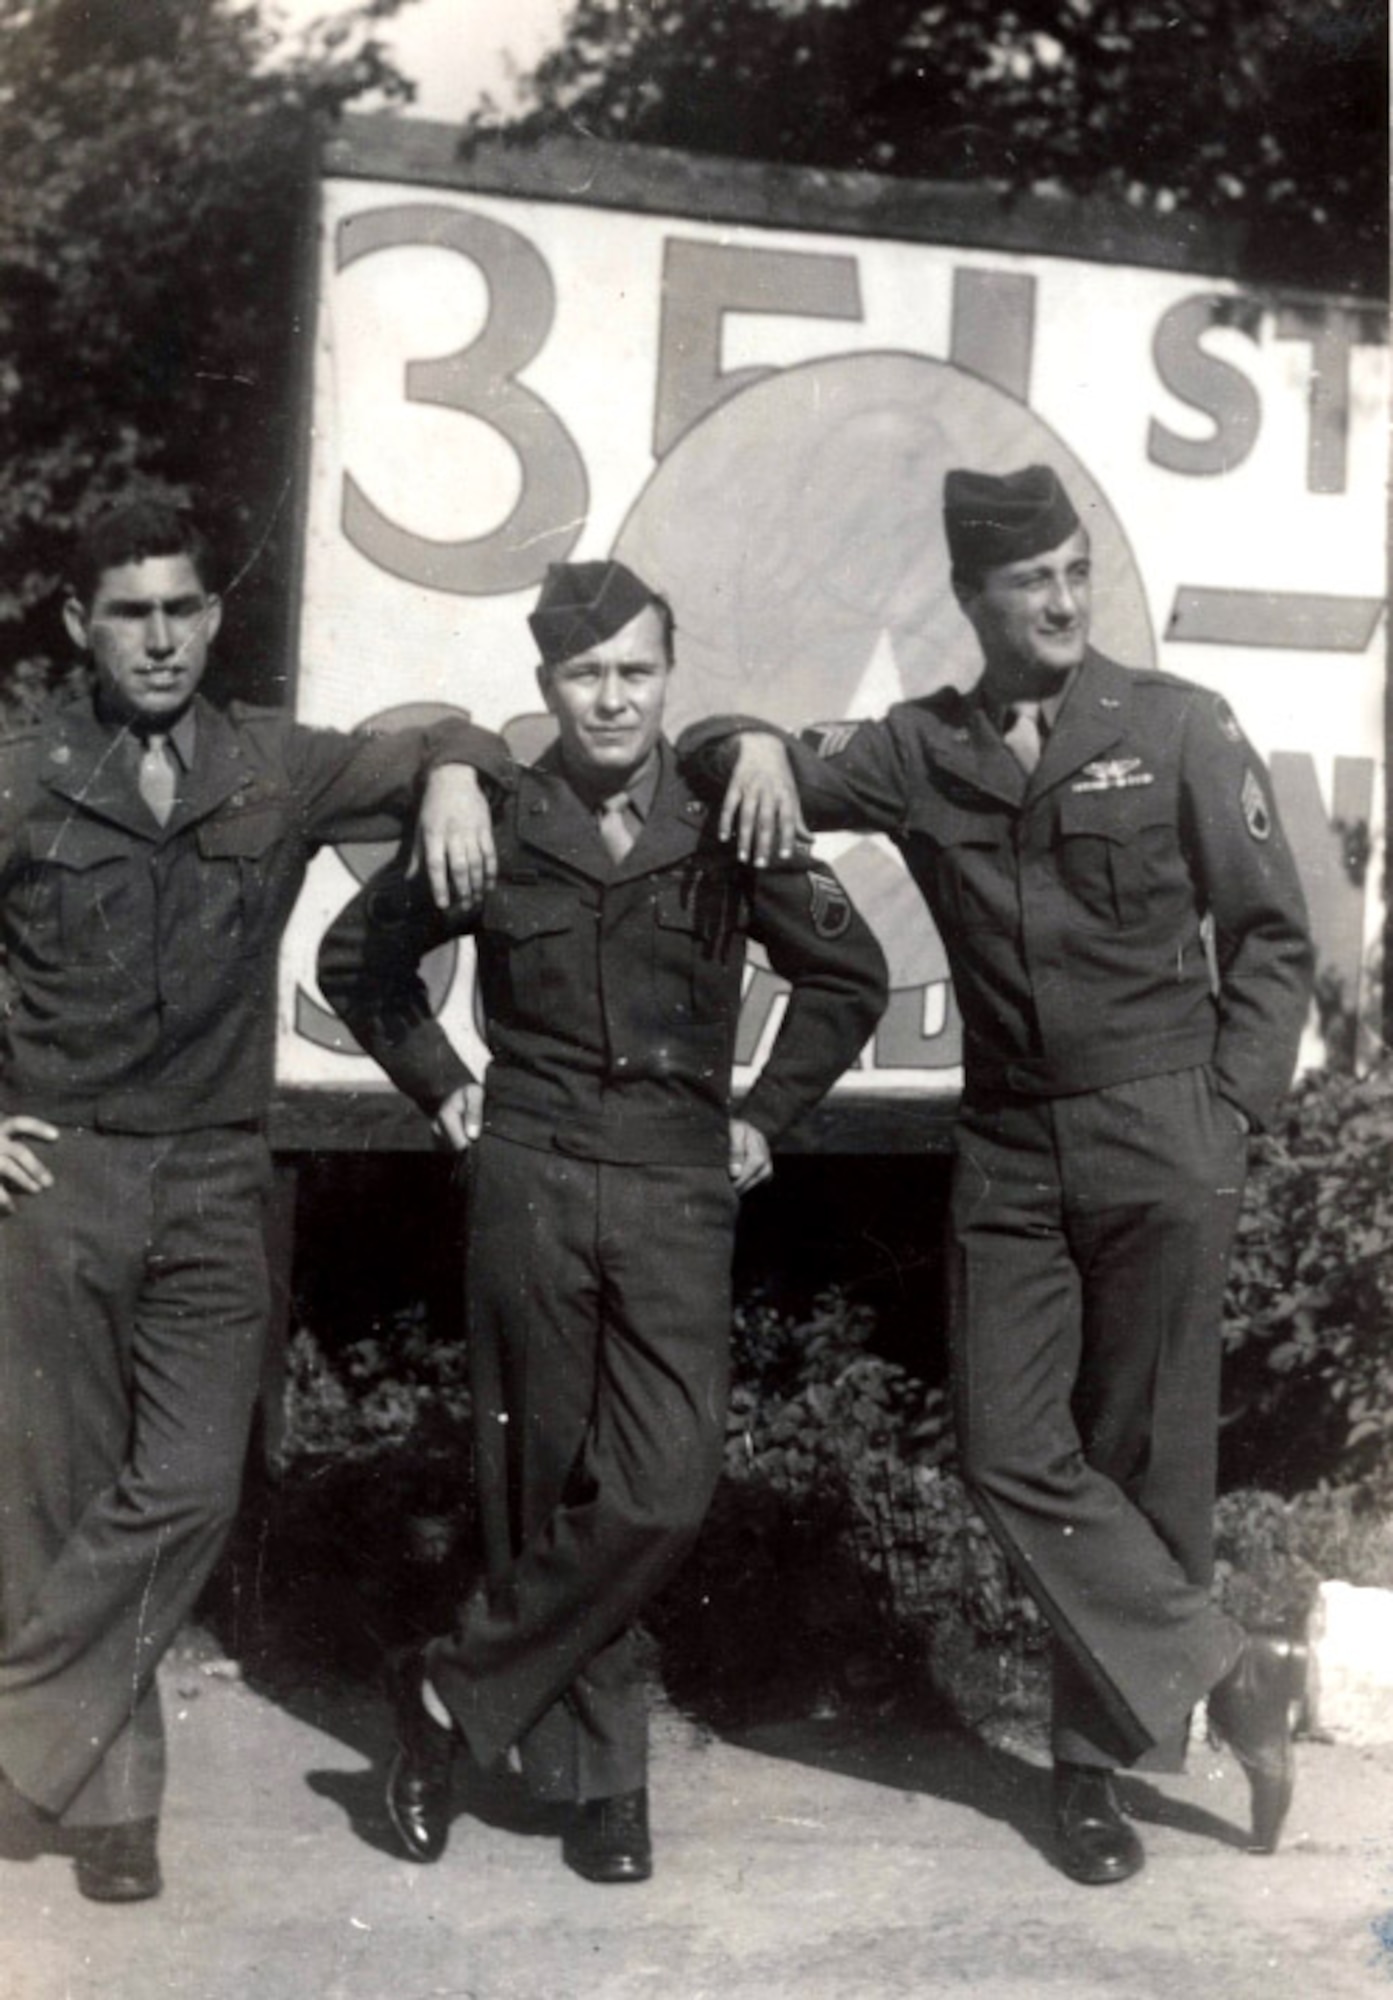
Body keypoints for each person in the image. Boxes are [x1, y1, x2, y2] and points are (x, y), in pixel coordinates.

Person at [677, 465, 1315, 1884]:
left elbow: (1270, 939)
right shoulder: (922, 747)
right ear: (971, 599)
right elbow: (725, 757)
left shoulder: (1174, 728)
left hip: (1163, 1123)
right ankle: (1229, 1672)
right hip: (1011, 1140)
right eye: (1031, 580)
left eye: (1075, 569)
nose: (1065, 599)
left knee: (1147, 1456)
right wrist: (748, 745)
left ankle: (1089, 1777)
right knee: (1004, 1447)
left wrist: (1227, 1114)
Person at [317, 558, 887, 1885]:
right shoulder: (498, 819)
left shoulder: (729, 811)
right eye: (585, 674)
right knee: (543, 1479)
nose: (612, 698)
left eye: (635, 670)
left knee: (659, 1484)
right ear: (544, 688)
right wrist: (443, 1088)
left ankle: (446, 1687)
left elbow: (844, 970)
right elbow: (359, 963)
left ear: (669, 677)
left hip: (676, 1182)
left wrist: (771, 1110)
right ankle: (601, 1784)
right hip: (529, 1172)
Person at [0, 498, 503, 1902]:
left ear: (214, 617)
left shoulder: (272, 763)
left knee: (192, 1487)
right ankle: (114, 1807)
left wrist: (451, 776)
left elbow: (451, 736)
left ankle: (15, 1719)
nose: (158, 636)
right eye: (128, 612)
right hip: (61, 1175)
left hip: (218, 1172)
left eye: (180, 608)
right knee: (52, 1498)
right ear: (79, 625)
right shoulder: (24, 772)